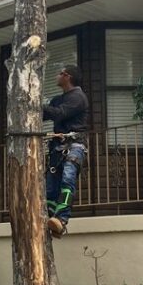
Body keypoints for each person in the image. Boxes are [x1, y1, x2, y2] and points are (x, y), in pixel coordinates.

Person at [42, 64, 89, 238]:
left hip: (74, 146)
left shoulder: (78, 97)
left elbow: (59, 114)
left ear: (67, 76)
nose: (57, 76)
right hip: (57, 148)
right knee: (51, 187)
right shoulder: (57, 99)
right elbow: (47, 113)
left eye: (60, 74)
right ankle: (51, 219)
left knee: (67, 180)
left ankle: (61, 219)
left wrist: (37, 104)